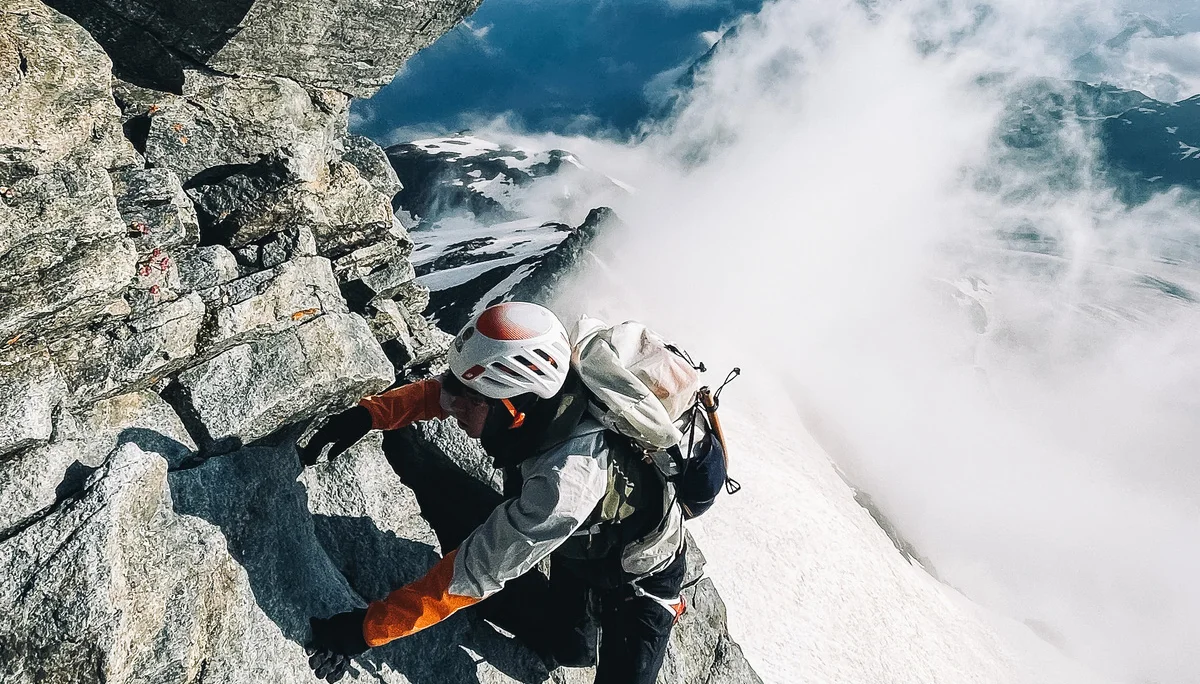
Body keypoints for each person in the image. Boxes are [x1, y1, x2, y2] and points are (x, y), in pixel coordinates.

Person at [302, 302, 688, 684]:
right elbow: (445, 392)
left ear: (516, 409)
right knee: (559, 633)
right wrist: (370, 414)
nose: (454, 407)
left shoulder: (564, 484)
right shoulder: (541, 388)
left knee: (573, 651)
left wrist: (366, 630)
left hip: (637, 572)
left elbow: (473, 573)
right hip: (582, 541)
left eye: (470, 400)